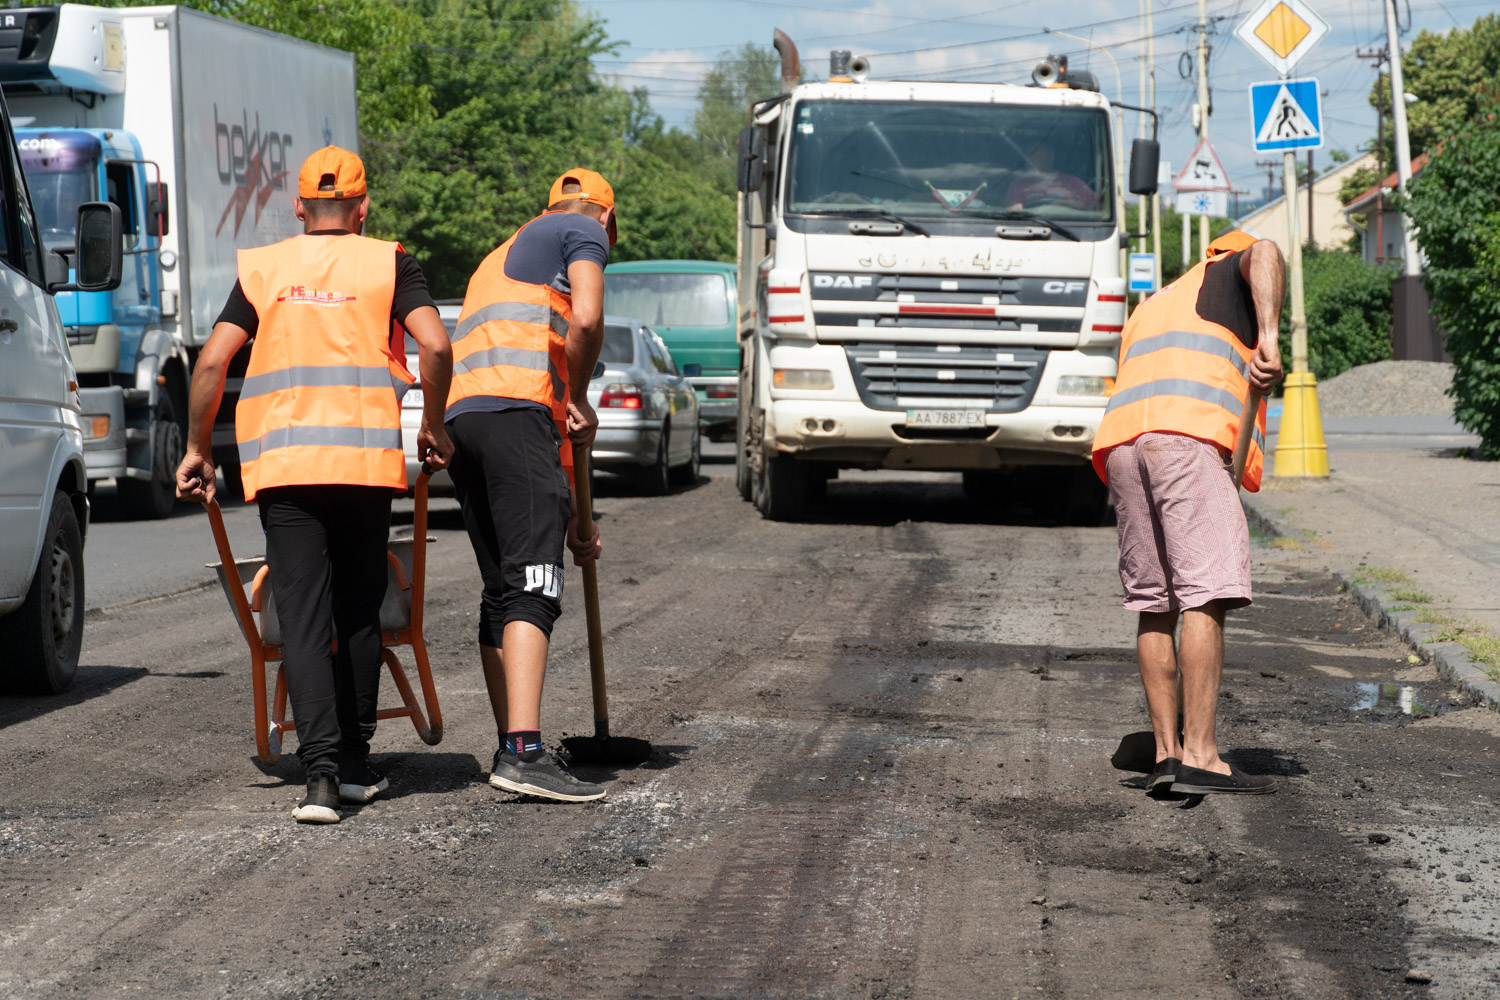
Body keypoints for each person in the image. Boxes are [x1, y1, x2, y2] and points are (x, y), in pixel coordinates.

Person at [176, 146, 454, 824]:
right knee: (359, 606)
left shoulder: (264, 269)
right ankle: (358, 768)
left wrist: (194, 449)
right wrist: (436, 428)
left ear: (298, 207)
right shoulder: (390, 262)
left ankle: (320, 779)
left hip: (285, 469)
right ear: (363, 208)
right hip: (362, 466)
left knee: (301, 614)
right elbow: (437, 347)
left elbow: (213, 361)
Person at [1090, 230, 1285, 796]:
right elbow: (1268, 251)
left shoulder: (1155, 302)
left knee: (1156, 602)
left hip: (1123, 447)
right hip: (1184, 437)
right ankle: (1200, 754)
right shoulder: (1231, 272)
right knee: (1206, 592)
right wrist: (1269, 336)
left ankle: (1165, 753)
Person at [446, 168, 610, 803]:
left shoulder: (502, 254)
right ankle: (524, 752)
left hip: (469, 422)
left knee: (503, 589)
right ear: (607, 221)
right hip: (517, 418)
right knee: (533, 587)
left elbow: (544, 401)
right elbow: (588, 321)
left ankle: (509, 745)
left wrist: (576, 519)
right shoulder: (582, 231)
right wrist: (585, 393)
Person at [1003, 142, 1097, 210]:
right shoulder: (1019, 184)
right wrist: (1013, 208)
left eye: (1037, 154)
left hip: (1069, 228)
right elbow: (1007, 209)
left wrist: (1082, 206)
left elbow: (1097, 205)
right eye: (1029, 155)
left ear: (1050, 156)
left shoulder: (1072, 182)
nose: (1031, 159)